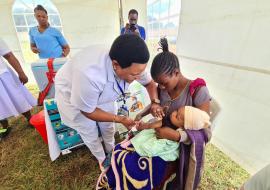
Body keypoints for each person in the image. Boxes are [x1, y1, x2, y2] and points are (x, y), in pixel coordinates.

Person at [96, 38, 212, 190]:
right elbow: (155, 104)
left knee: (142, 169)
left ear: (176, 73)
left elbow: (205, 132)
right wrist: (141, 115)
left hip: (179, 147)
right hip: (158, 135)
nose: (162, 88)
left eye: (164, 83)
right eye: (159, 84)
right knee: (122, 151)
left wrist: (177, 136)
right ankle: (117, 180)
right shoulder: (162, 87)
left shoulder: (197, 91)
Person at [55, 34, 161, 169]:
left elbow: (150, 84)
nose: (138, 78)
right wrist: (121, 119)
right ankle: (102, 159)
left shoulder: (134, 65)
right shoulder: (89, 74)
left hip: (101, 93)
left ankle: (111, 150)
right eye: (134, 75)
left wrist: (155, 102)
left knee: (108, 126)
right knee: (89, 131)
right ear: (115, 64)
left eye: (140, 73)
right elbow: (88, 111)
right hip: (75, 93)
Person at [124, 106, 211, 161]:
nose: (173, 114)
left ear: (184, 127)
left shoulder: (180, 132)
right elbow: (150, 125)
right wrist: (140, 126)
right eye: (177, 110)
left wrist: (141, 127)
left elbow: (151, 126)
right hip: (157, 135)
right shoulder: (168, 120)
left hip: (163, 144)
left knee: (147, 147)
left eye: (177, 117)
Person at [0, 38, 37, 139]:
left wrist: (21, 72)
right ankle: (4, 126)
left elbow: (9, 55)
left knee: (17, 96)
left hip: (3, 75)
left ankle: (30, 118)